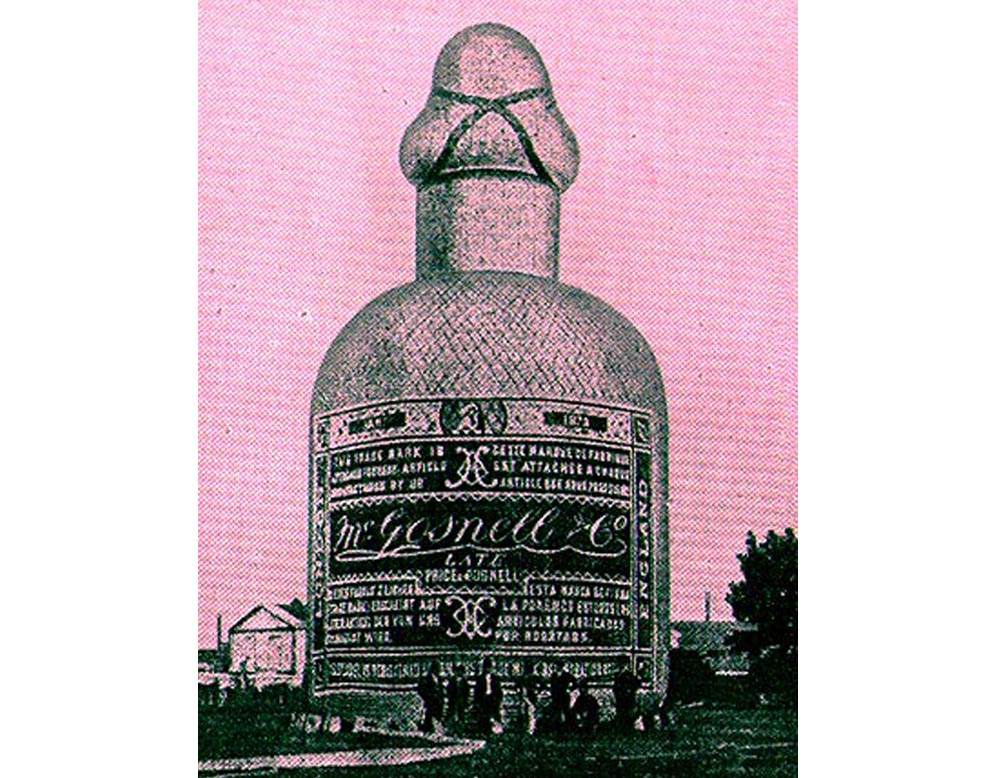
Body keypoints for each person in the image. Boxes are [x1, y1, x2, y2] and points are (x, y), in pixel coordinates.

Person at [473, 657, 504, 734]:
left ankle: (495, 730)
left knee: (495, 716)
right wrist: (478, 701)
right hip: (484, 700)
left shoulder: (495, 678)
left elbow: (499, 691)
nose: (488, 669)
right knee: (484, 717)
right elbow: (477, 691)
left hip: (493, 700)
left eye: (489, 668)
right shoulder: (480, 679)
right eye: (486, 668)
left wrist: (498, 700)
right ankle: (484, 731)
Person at [417, 661, 445, 734]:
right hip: (429, 704)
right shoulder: (426, 679)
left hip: (438, 704)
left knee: (437, 720)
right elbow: (421, 690)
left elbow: (441, 691)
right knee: (428, 719)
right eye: (439, 668)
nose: (440, 670)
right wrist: (430, 697)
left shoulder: (439, 679)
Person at [612, 660, 640, 731]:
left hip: (626, 701)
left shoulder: (627, 676)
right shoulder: (619, 676)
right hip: (622, 701)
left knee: (626, 717)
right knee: (623, 716)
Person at [517, 660, 543, 735]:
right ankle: (528, 729)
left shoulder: (534, 678)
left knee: (531, 714)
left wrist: (538, 693)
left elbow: (541, 686)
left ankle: (530, 729)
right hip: (526, 699)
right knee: (528, 713)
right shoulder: (524, 679)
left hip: (531, 698)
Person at [549, 660, 577, 731]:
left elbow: (575, 683)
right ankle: (557, 728)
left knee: (566, 711)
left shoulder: (566, 675)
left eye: (557, 666)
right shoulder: (553, 675)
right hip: (555, 696)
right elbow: (552, 685)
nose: (556, 668)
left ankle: (568, 727)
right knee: (556, 712)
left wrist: (570, 689)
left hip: (564, 696)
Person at [446, 663, 470, 733]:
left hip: (461, 701)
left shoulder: (464, 681)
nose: (459, 673)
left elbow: (466, 692)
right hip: (453, 701)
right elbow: (449, 690)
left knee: (461, 716)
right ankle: (452, 730)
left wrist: (466, 701)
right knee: (453, 715)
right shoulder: (452, 680)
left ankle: (460, 730)